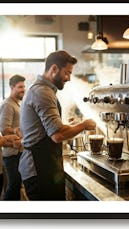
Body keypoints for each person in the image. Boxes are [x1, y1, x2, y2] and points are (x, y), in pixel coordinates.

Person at [18, 50, 96, 201]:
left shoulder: (41, 90)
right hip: (39, 169)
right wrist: (84, 125)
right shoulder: (43, 92)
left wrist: (70, 125)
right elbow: (57, 135)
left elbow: (48, 129)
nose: (68, 78)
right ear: (54, 69)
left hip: (43, 166)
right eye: (67, 73)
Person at [0, 74, 26, 200]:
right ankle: (7, 214)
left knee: (16, 186)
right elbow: (3, 130)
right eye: (19, 87)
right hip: (11, 154)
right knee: (13, 186)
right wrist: (16, 130)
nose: (23, 89)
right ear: (11, 87)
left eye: (24, 86)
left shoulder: (17, 104)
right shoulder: (8, 105)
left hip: (18, 152)